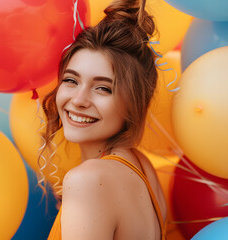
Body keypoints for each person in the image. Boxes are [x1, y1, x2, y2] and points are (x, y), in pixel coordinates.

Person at [40, 0, 167, 239]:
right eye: (71, 80)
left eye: (103, 88)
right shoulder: (141, 166)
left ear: (133, 102)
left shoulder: (88, 181)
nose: (79, 99)